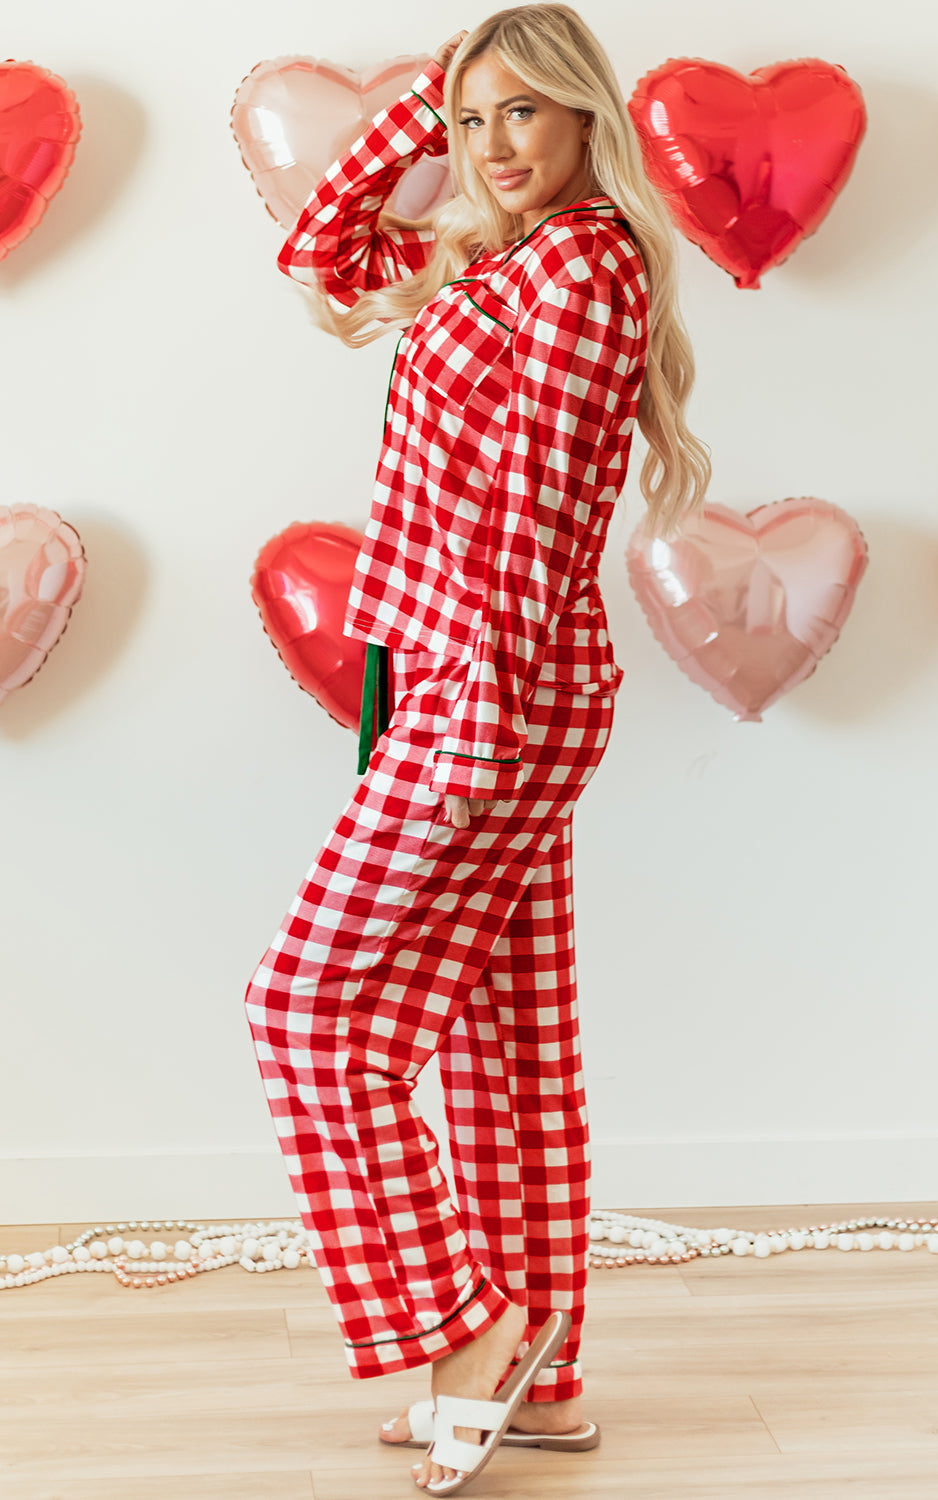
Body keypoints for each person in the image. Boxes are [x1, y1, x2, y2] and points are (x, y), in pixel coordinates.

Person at [244, 5, 710, 1494]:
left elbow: (534, 514)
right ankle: (547, 1373)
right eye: (472, 123)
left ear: (587, 117)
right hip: (448, 675)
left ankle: (462, 1332)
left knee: (305, 1010)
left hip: (485, 690)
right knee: (503, 1042)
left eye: (523, 115)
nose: (493, 149)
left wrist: (474, 726)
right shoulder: (498, 254)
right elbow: (317, 252)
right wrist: (425, 110)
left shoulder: (583, 263)